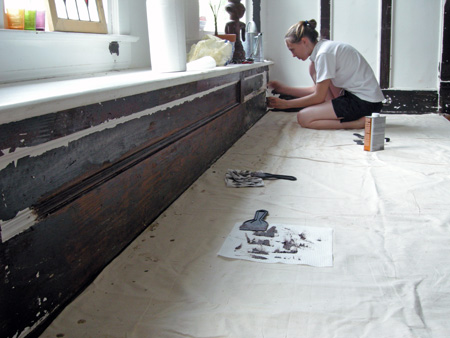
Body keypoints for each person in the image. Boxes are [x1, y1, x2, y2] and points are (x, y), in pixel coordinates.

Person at [267, 19, 385, 130]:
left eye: (292, 49)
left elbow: (319, 96)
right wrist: (283, 89)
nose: (293, 55)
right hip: (362, 98)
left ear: (304, 41)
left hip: (365, 103)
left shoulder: (324, 54)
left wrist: (287, 104)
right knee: (313, 68)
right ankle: (338, 112)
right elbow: (317, 90)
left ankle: (358, 123)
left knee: (304, 117)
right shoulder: (323, 49)